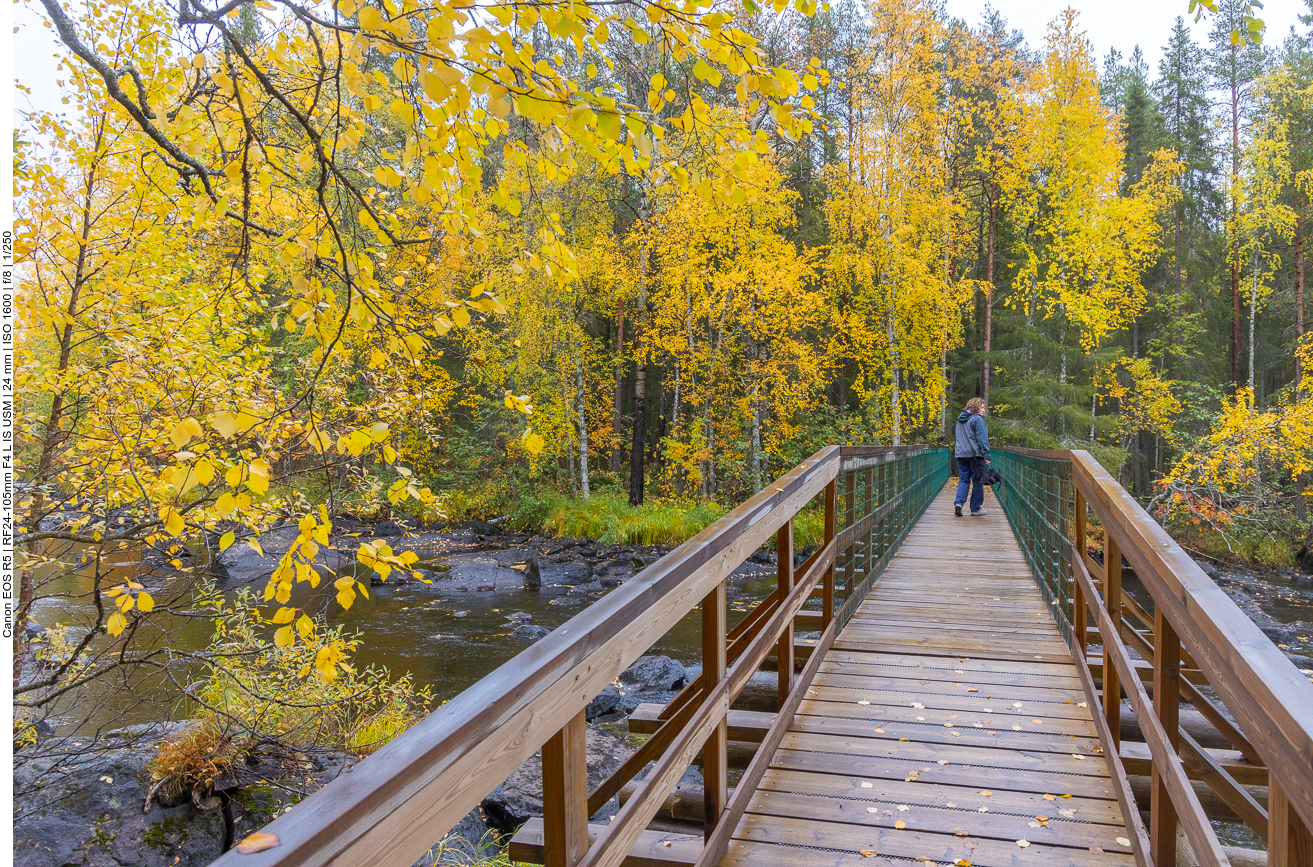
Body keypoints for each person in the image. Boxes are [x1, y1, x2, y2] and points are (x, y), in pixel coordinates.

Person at [954, 397, 991, 517]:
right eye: (982, 407)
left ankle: (959, 503)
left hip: (961, 454)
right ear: (976, 408)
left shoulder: (960, 419)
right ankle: (975, 508)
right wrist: (986, 455)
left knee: (964, 480)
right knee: (977, 481)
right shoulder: (977, 419)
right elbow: (982, 439)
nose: (984, 410)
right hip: (975, 455)